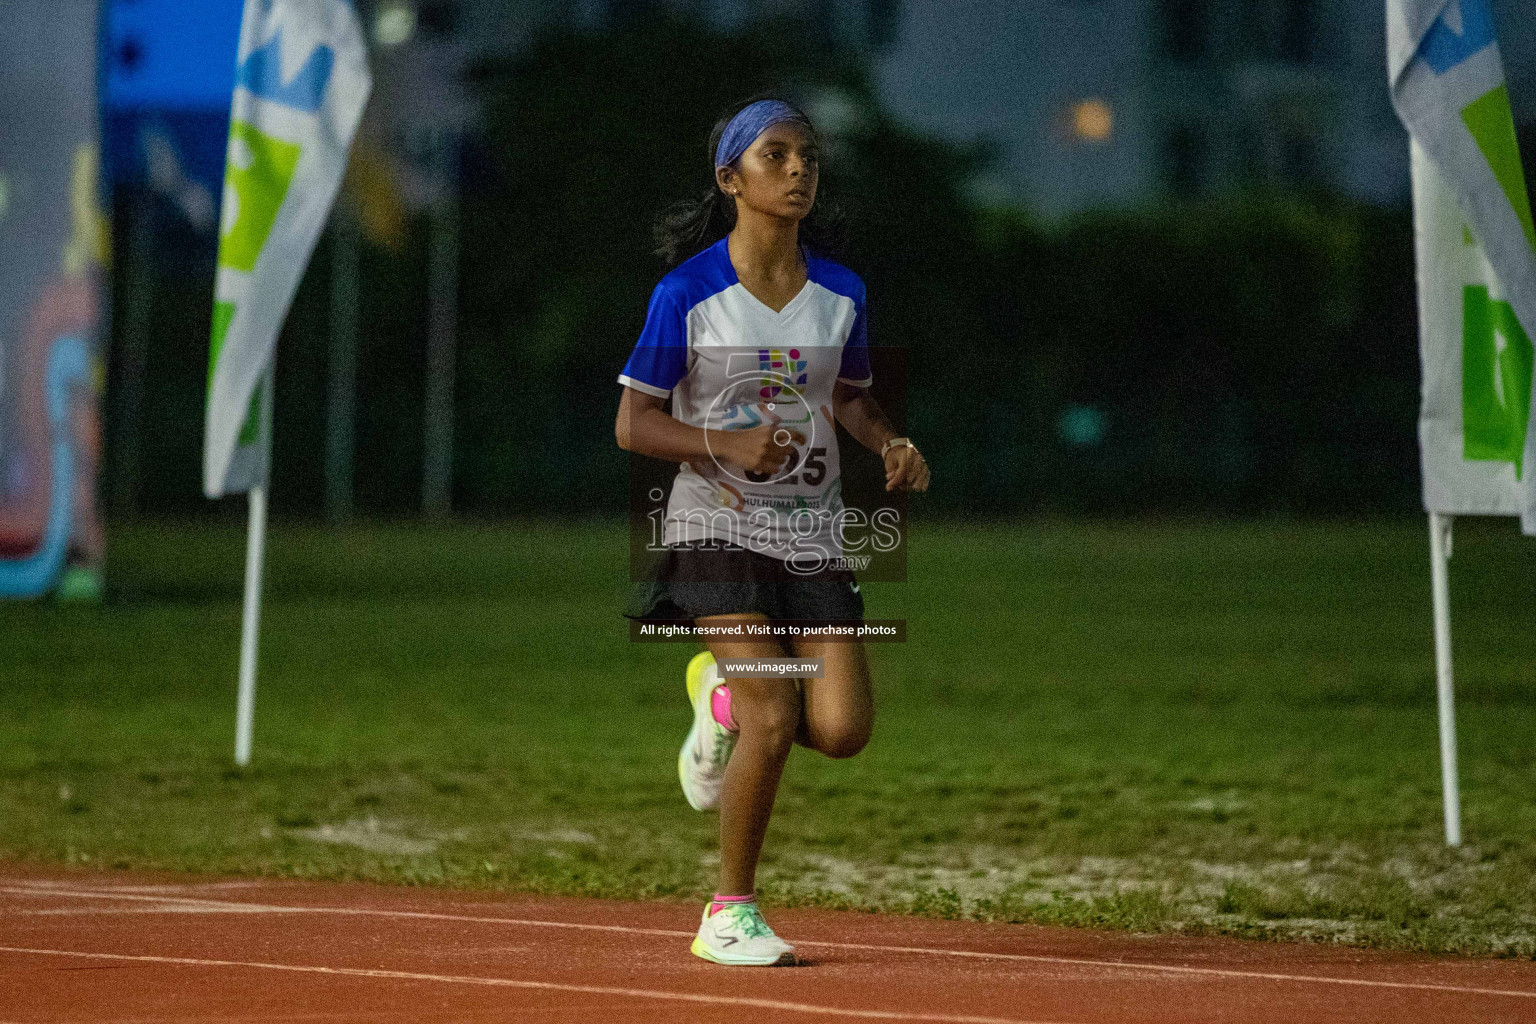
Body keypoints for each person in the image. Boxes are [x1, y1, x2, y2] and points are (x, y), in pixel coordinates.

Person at [614, 97, 929, 966]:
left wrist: (890, 440)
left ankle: (716, 697)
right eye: (777, 155)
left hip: (813, 536)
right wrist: (723, 443)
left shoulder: (840, 293)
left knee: (842, 729)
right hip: (712, 530)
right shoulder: (687, 294)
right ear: (731, 180)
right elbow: (633, 425)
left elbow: (847, 394)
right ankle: (729, 913)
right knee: (776, 713)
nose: (799, 171)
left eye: (809, 158)